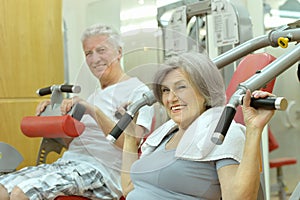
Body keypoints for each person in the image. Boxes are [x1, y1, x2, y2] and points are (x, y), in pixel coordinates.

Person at [0, 23, 154, 200]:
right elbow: (71, 144)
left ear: (119, 52)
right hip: (69, 163)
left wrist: (92, 110)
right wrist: (51, 113)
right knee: (2, 189)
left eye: (101, 50)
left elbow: (132, 145)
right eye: (89, 53)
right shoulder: (93, 95)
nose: (95, 59)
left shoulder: (138, 92)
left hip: (102, 172)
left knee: (22, 193)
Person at [121, 51, 275, 200]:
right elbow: (128, 188)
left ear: (204, 90)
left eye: (181, 87)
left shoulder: (220, 133)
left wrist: (253, 130)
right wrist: (129, 137)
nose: (171, 98)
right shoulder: (163, 136)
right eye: (165, 90)